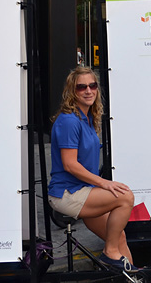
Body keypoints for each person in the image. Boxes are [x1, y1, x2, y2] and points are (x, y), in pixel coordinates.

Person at [48, 67, 136, 271]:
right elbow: (70, 164)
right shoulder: (69, 120)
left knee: (118, 234)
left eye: (92, 85)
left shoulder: (85, 117)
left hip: (84, 191)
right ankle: (110, 252)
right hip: (68, 193)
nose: (88, 91)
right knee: (125, 197)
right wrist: (105, 183)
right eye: (81, 87)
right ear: (72, 91)